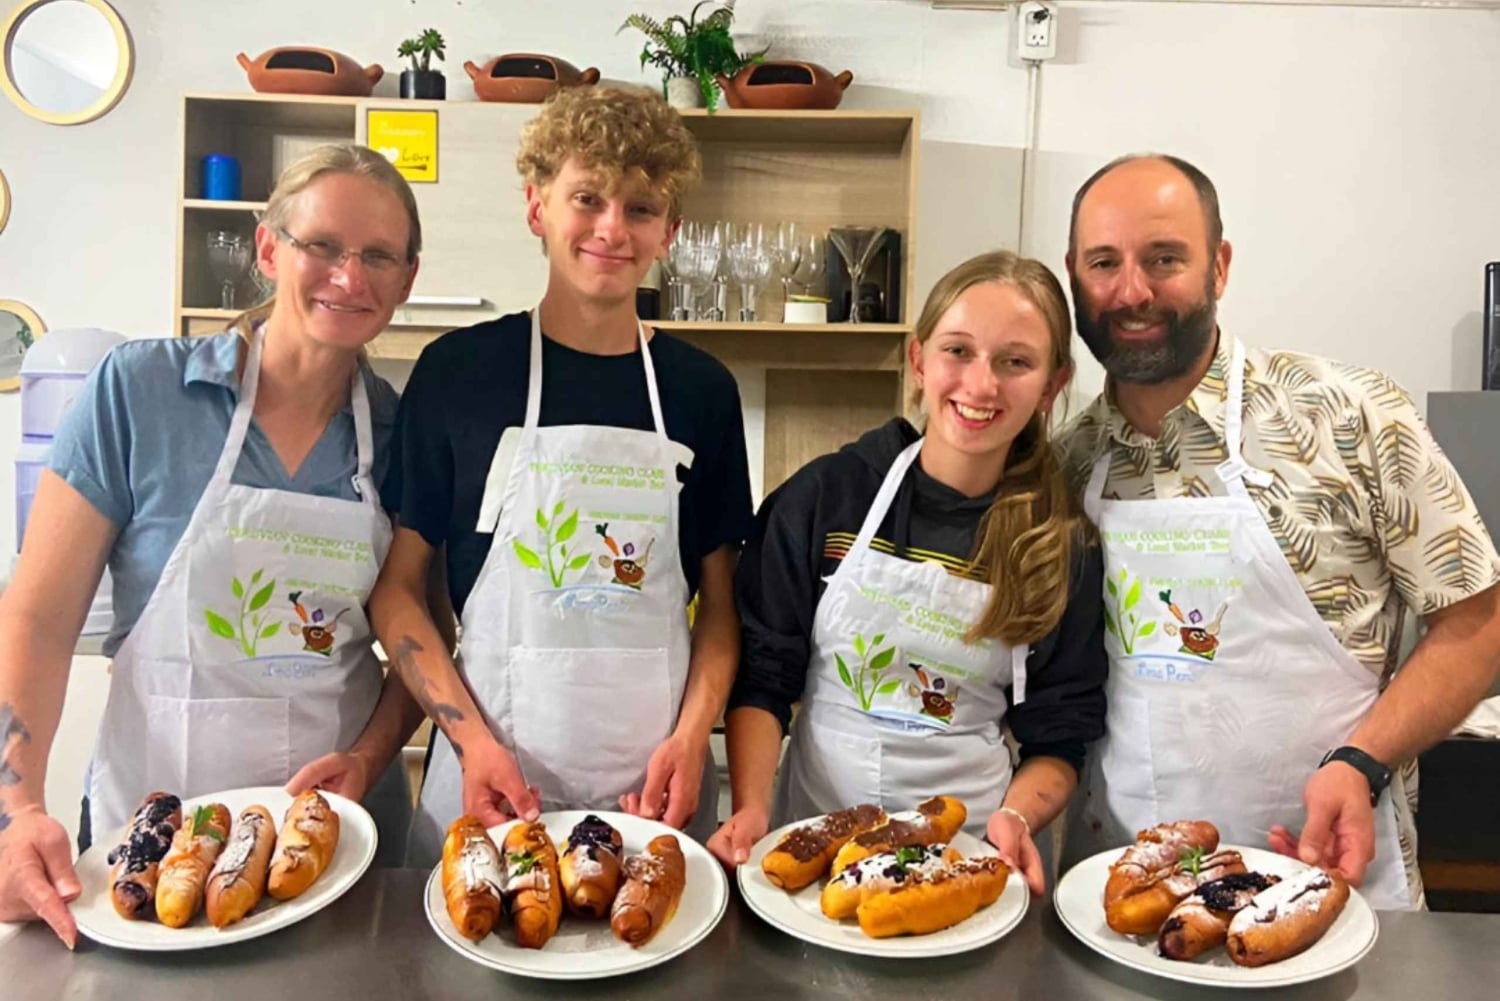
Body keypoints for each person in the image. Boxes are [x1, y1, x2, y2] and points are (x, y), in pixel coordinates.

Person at [0, 144, 432, 946]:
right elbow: (37, 618)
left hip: (334, 843)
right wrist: (14, 809)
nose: (350, 275)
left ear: (408, 278)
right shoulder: (141, 391)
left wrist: (371, 760)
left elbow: (419, 647)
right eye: (322, 246)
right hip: (149, 833)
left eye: (378, 255)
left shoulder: (405, 433)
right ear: (270, 249)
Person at [1057, 153, 1500, 909]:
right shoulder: (1066, 465)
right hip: (1126, 897)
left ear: (1220, 266)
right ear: (1073, 274)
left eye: (1164, 258)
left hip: (1332, 877)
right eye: (1105, 262)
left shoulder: (1349, 415)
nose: (1132, 291)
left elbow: (1479, 620)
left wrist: (1360, 762)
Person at [373, 85, 754, 867]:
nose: (612, 228)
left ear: (669, 232)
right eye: (587, 197)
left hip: (656, 794)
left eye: (641, 208)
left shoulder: (700, 390)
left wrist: (693, 737)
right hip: (492, 782)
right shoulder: (459, 373)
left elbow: (721, 607)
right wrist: (470, 741)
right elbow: (398, 590)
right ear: (537, 205)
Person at [707, 250, 1108, 894]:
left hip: (965, 858)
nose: (982, 386)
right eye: (959, 351)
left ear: (1052, 384)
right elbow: (763, 678)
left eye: (1015, 362)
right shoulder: (827, 497)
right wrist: (751, 806)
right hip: (809, 851)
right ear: (919, 360)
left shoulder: (1058, 544)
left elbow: (1059, 734)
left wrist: (1015, 818)